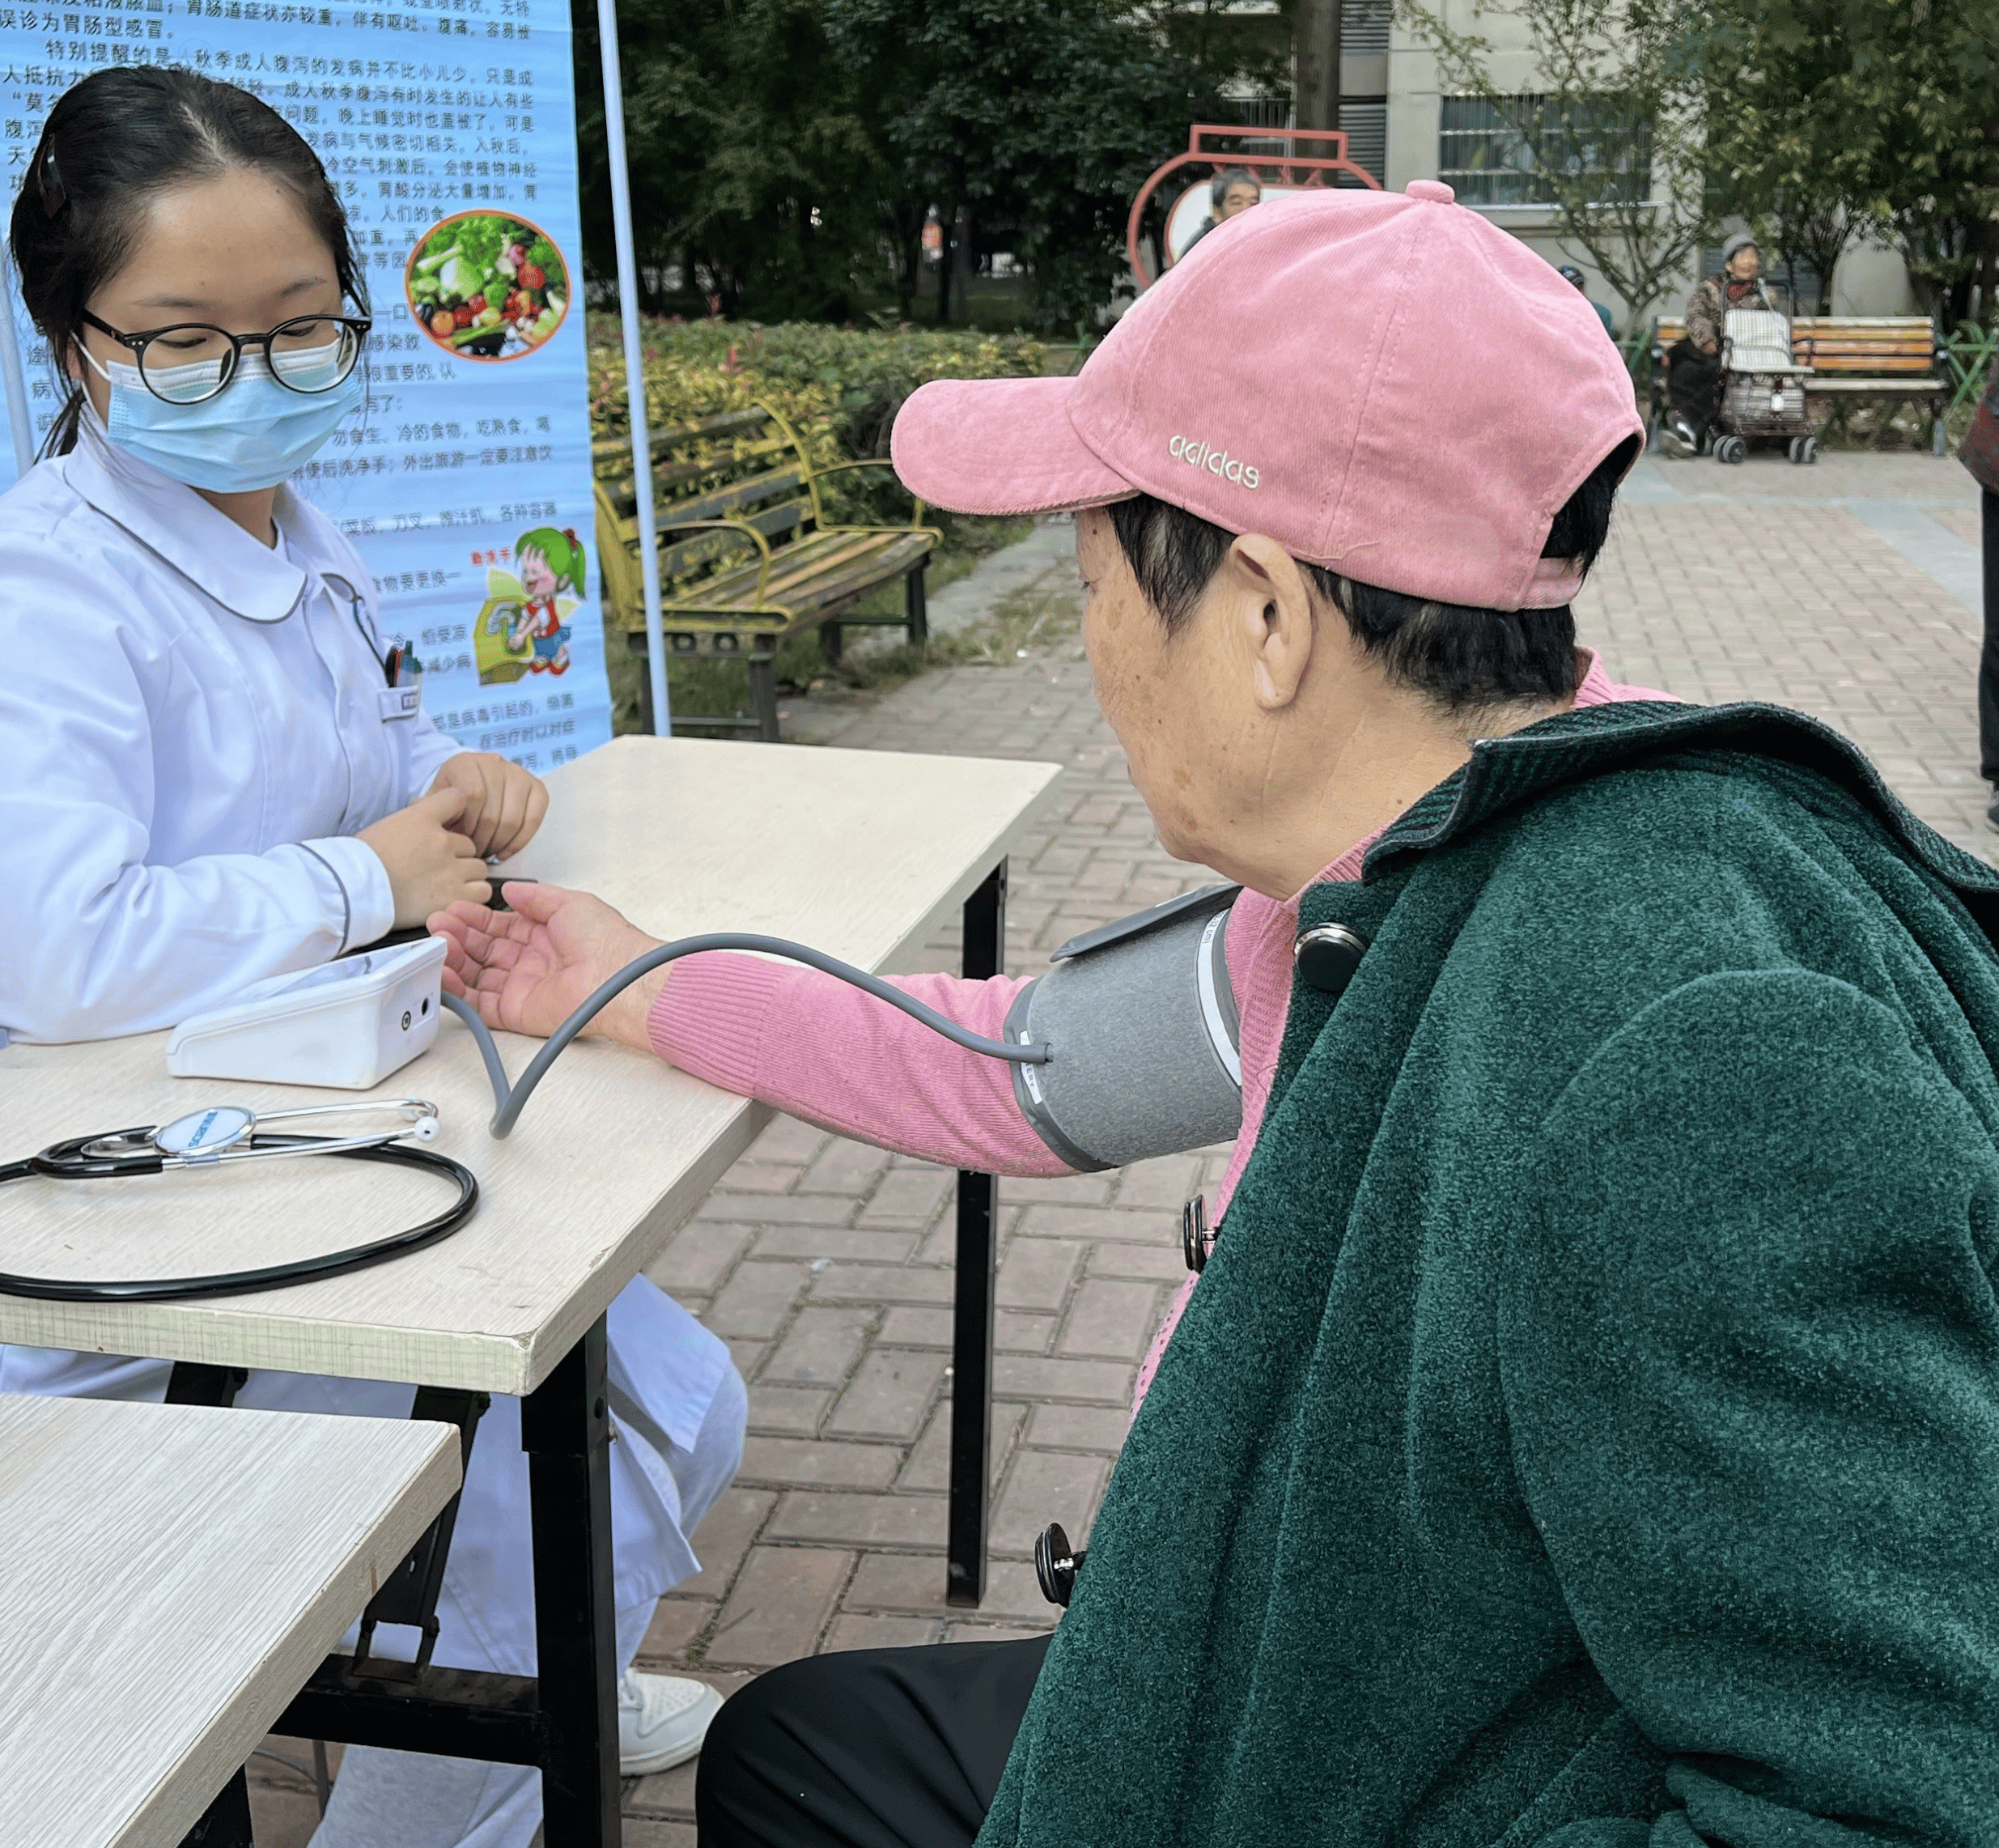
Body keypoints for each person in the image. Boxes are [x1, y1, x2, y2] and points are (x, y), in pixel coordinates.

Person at [436, 180, 1999, 1848]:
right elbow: (1013, 1064)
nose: (1095, 637)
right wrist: (622, 976)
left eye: (1097, 568)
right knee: (806, 1746)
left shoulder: (1671, 1050)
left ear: (1262, 615)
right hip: (1312, 1671)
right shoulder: (1366, 885)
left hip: (1382, 1767)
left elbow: (1896, 1794)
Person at [0, 66, 745, 1848]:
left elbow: (349, 789)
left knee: (660, 1407)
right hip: (144, 1234)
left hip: (323, 1149)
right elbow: (57, 942)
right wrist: (368, 870)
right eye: (185, 341)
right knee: (591, 1452)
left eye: (299, 329)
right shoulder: (49, 584)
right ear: (75, 337)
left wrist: (452, 795)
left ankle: (524, 1697)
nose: (252, 383)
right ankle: (473, 1756)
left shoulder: (302, 543)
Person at [1664, 230, 1780, 454]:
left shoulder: (1766, 295)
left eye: (1754, 256)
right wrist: (1706, 339)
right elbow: (1696, 315)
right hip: (1710, 346)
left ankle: (1689, 430)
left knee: (1713, 371)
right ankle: (1684, 425)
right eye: (1744, 255)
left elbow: (1770, 327)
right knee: (1680, 356)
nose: (1750, 261)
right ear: (1729, 265)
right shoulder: (1709, 288)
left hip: (1743, 352)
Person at [1176, 167, 1259, 259]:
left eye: (1253, 203)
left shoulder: (1261, 240)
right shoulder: (1200, 249)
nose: (1246, 209)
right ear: (1217, 211)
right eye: (1237, 203)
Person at [1557, 261, 1615, 336]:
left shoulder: (1601, 314)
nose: (1576, 291)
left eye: (1579, 287)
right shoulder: (1547, 313)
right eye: (1569, 288)